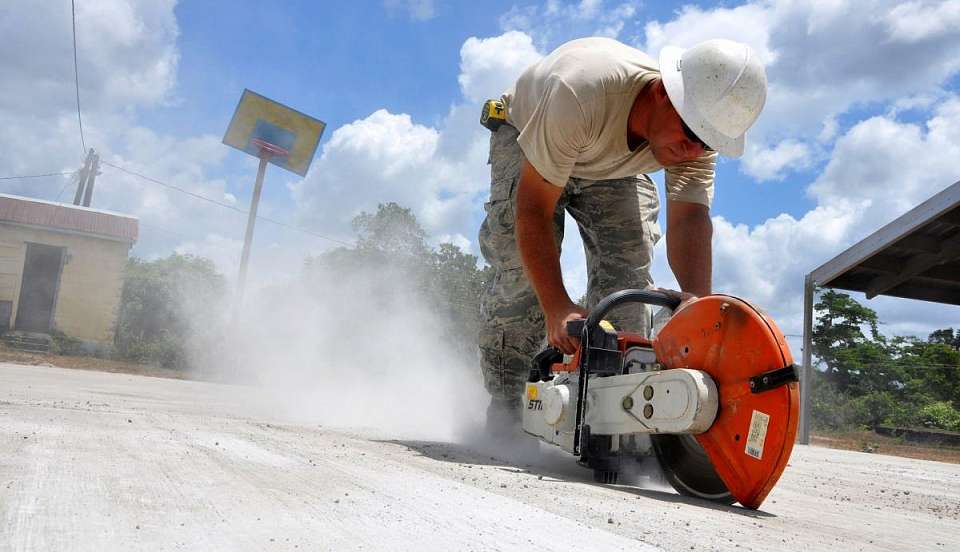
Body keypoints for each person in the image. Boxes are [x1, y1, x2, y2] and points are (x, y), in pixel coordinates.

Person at [477, 37, 768, 434]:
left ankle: (609, 417)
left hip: (610, 162)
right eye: (689, 135)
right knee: (522, 278)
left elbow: (689, 220)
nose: (693, 151)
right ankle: (507, 409)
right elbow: (533, 211)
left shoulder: (696, 136)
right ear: (665, 93)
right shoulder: (580, 93)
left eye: (707, 143)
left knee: (629, 277)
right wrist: (558, 306)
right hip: (532, 133)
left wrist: (697, 308)